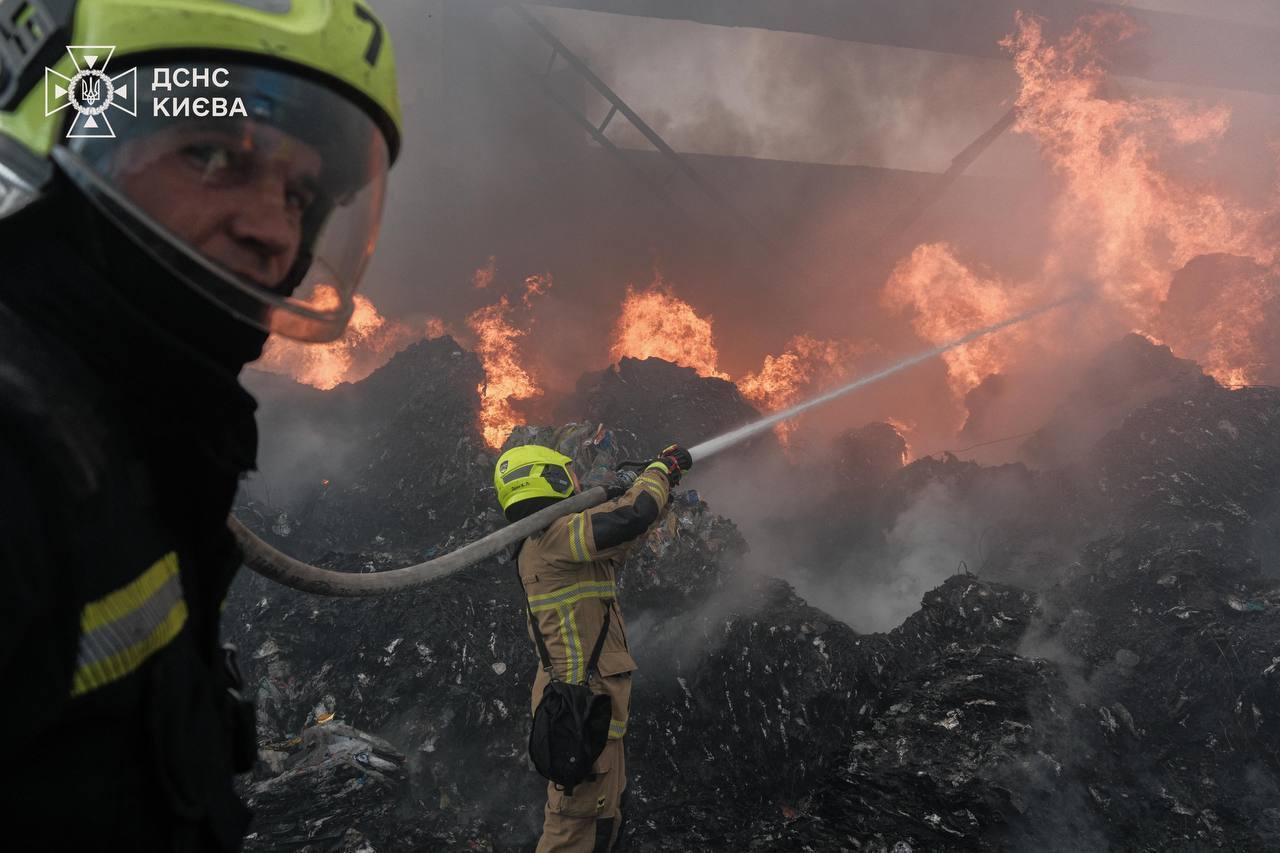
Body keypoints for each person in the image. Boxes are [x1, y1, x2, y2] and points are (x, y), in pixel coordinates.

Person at [0, 1, 401, 847]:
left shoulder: (130, 428)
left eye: (299, 195)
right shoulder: (21, 452)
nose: (271, 230)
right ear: (54, 126)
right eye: (213, 154)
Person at [493, 442, 694, 852]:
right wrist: (659, 471)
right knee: (574, 830)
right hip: (580, 708)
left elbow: (626, 532)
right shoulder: (554, 538)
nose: (576, 483)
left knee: (602, 820)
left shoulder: (553, 545)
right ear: (546, 478)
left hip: (590, 707)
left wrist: (657, 491)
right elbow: (631, 516)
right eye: (567, 475)